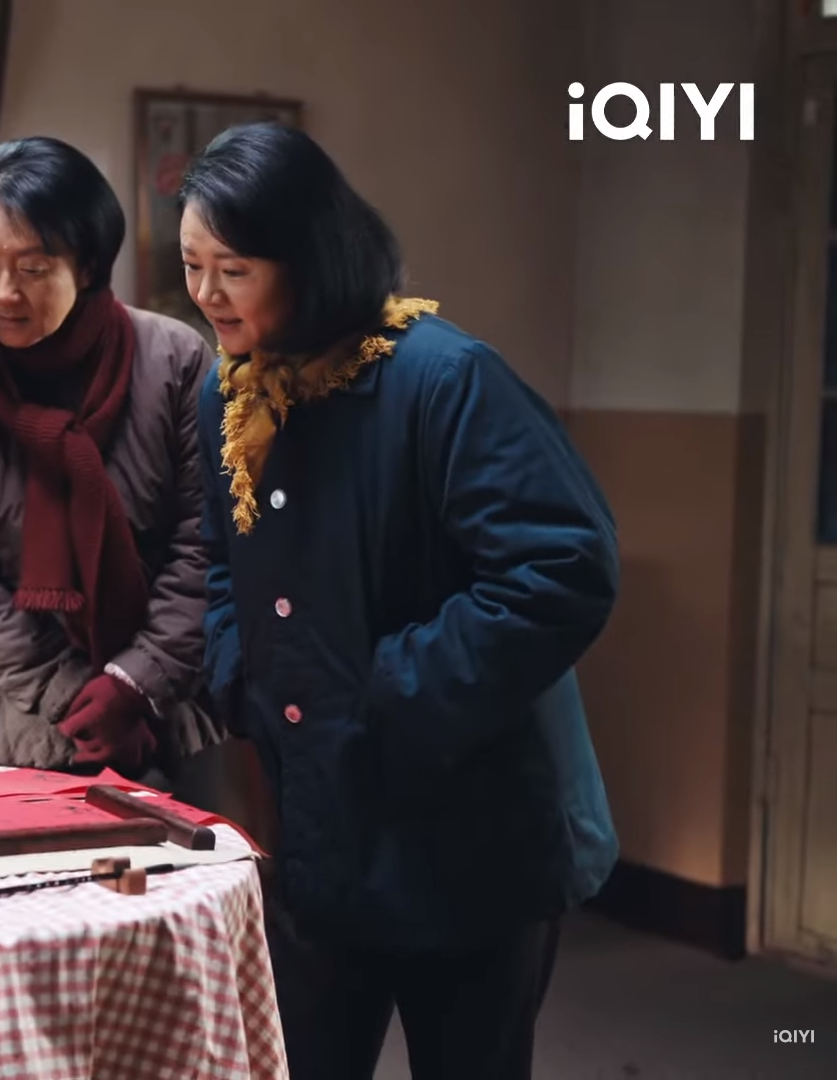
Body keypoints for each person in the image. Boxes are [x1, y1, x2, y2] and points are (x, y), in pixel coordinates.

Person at [181, 122, 619, 1079]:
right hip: (319, 825)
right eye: (192, 266)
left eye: (234, 270)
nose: (206, 295)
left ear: (310, 261)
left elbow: (563, 568)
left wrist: (390, 685)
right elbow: (221, 559)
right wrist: (242, 669)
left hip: (468, 838)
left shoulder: (443, 378)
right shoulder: (233, 394)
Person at [0, 136, 226, 789]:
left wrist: (135, 682)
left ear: (88, 262)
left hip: (174, 712)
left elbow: (206, 541)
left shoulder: (177, 361)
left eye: (34, 267)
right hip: (13, 726)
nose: (3, 292)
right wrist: (73, 695)